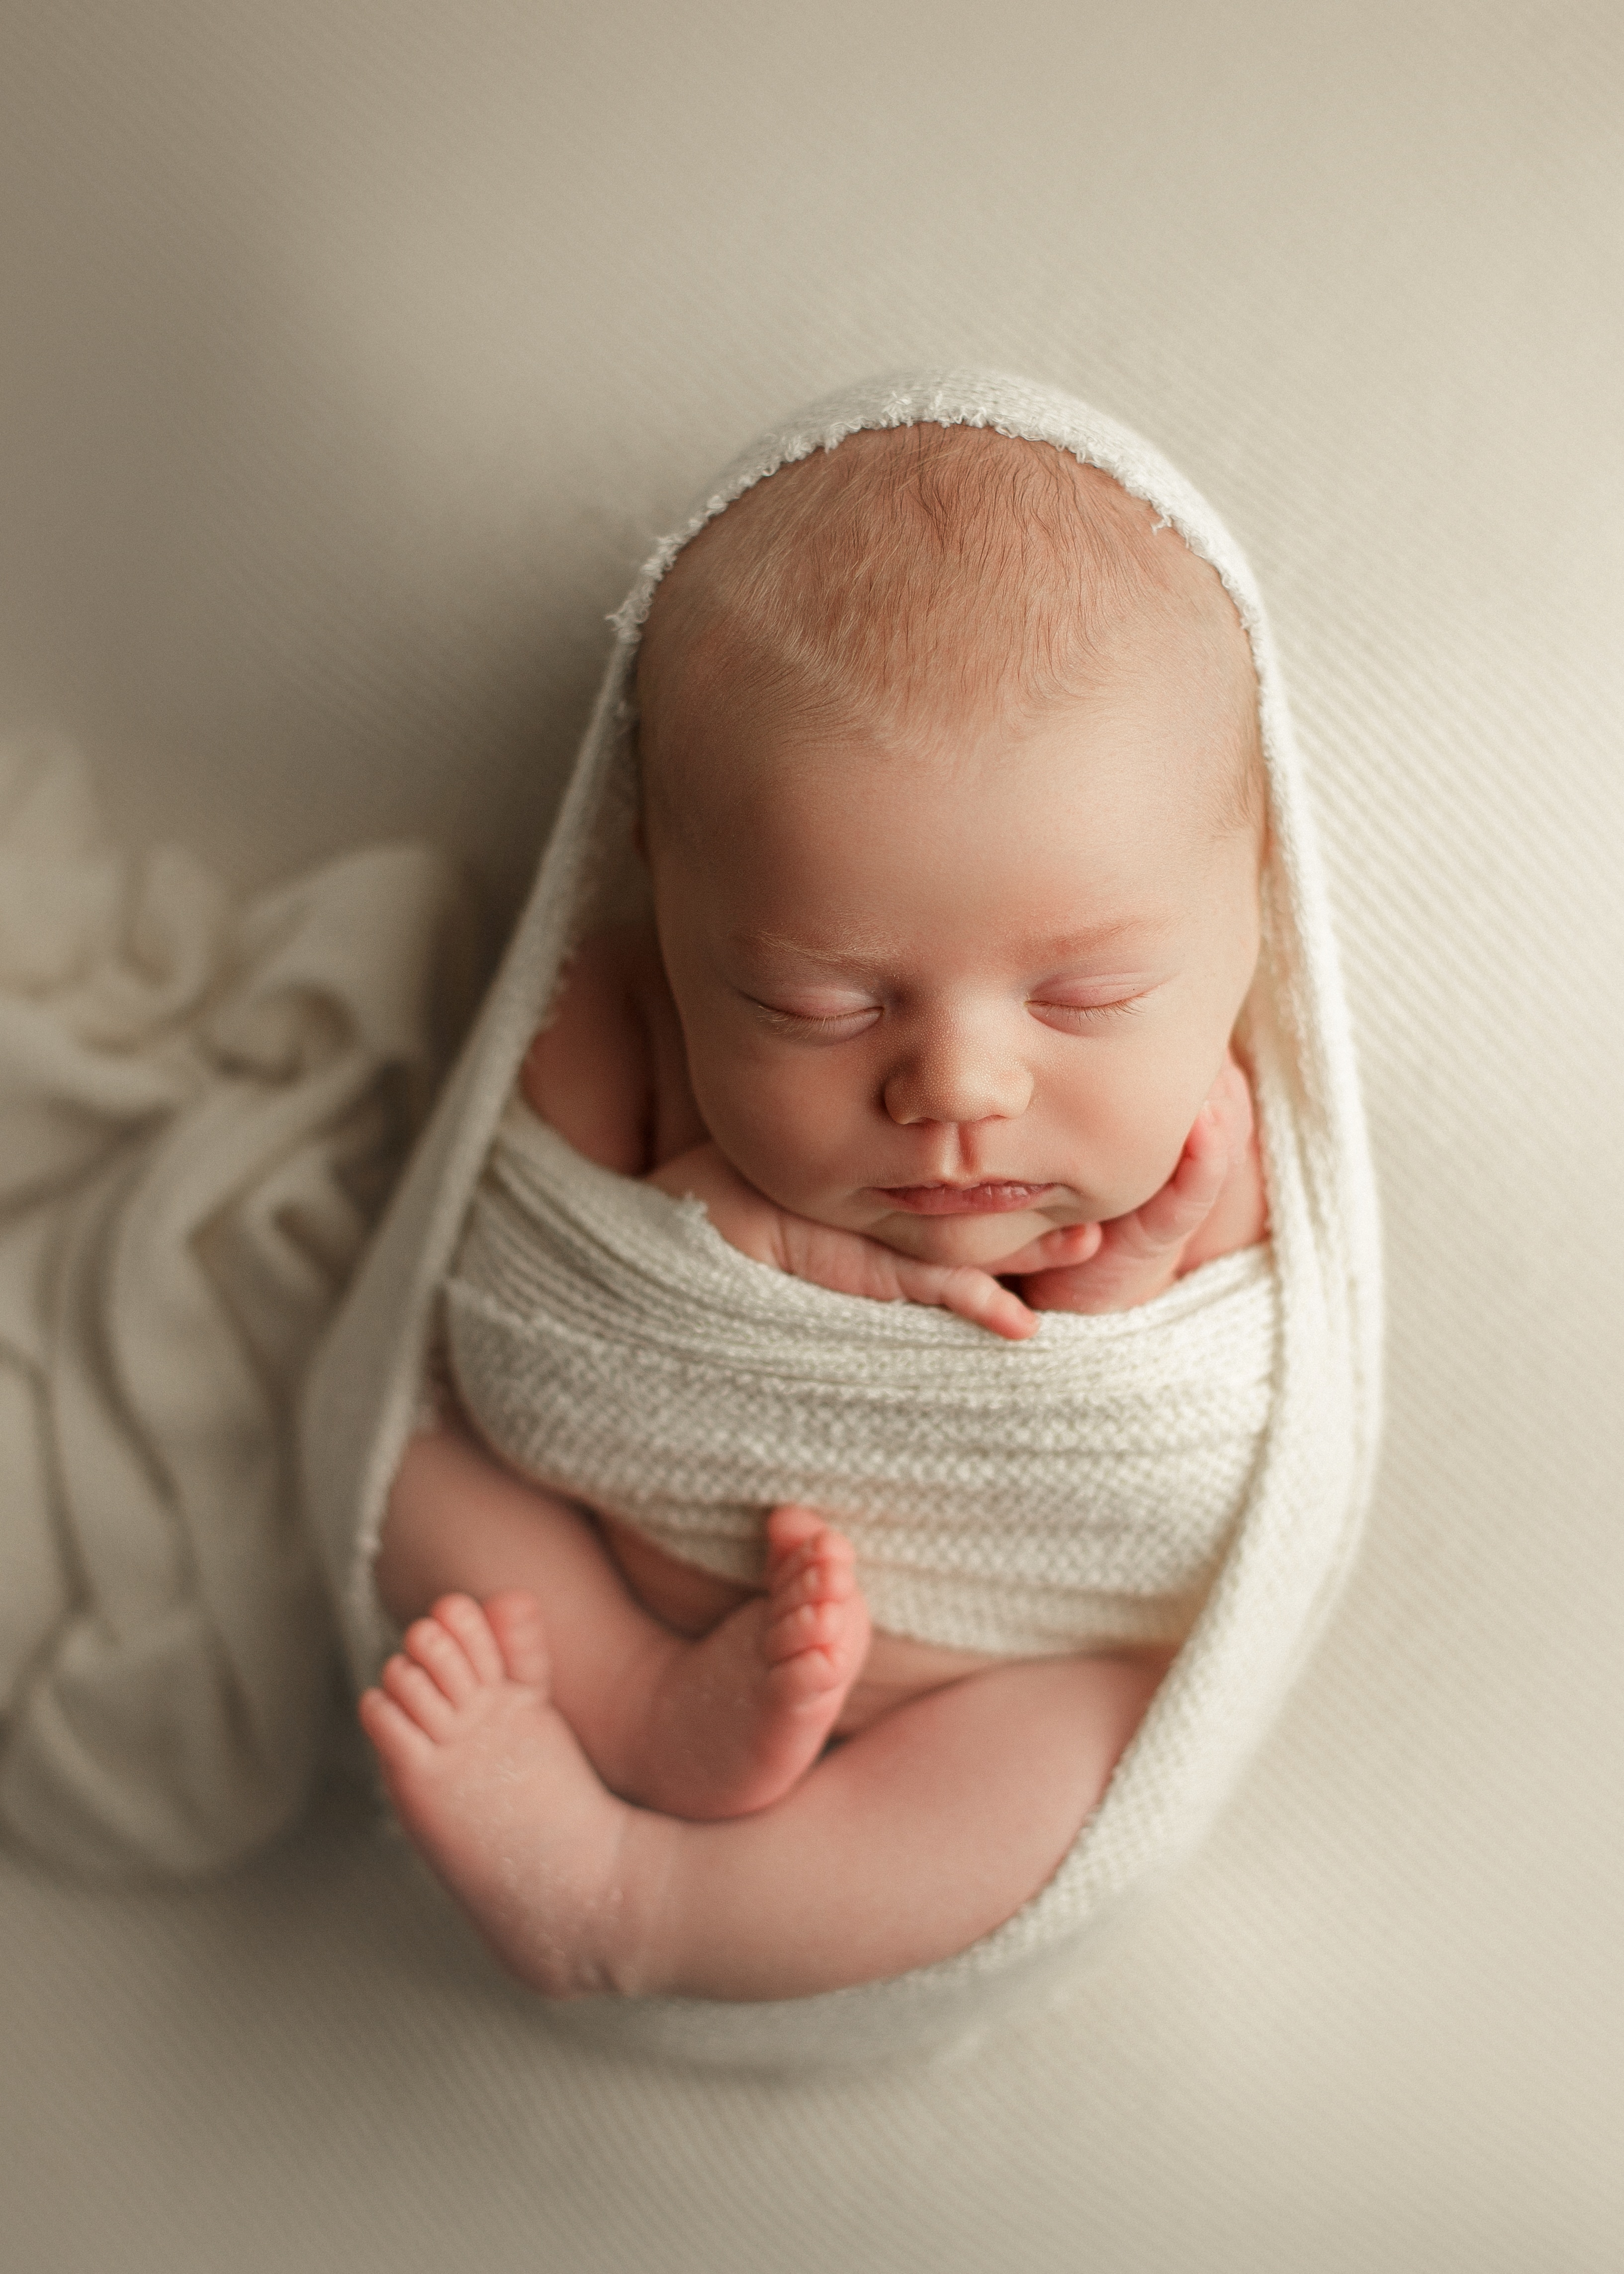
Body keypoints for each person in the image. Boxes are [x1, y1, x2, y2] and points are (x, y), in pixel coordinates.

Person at [359, 419, 1270, 2000]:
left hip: (976, 1669)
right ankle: (642, 1701)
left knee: (1093, 1744)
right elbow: (519, 1321)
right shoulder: (605, 1020)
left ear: (1253, 905)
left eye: (1087, 992)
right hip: (613, 1567)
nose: (958, 1085)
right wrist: (724, 1227)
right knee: (411, 1470)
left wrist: (1111, 1294)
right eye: (819, 1001)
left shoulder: (1212, 1139)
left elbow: (1171, 1442)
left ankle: (634, 1896)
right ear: (668, 894)